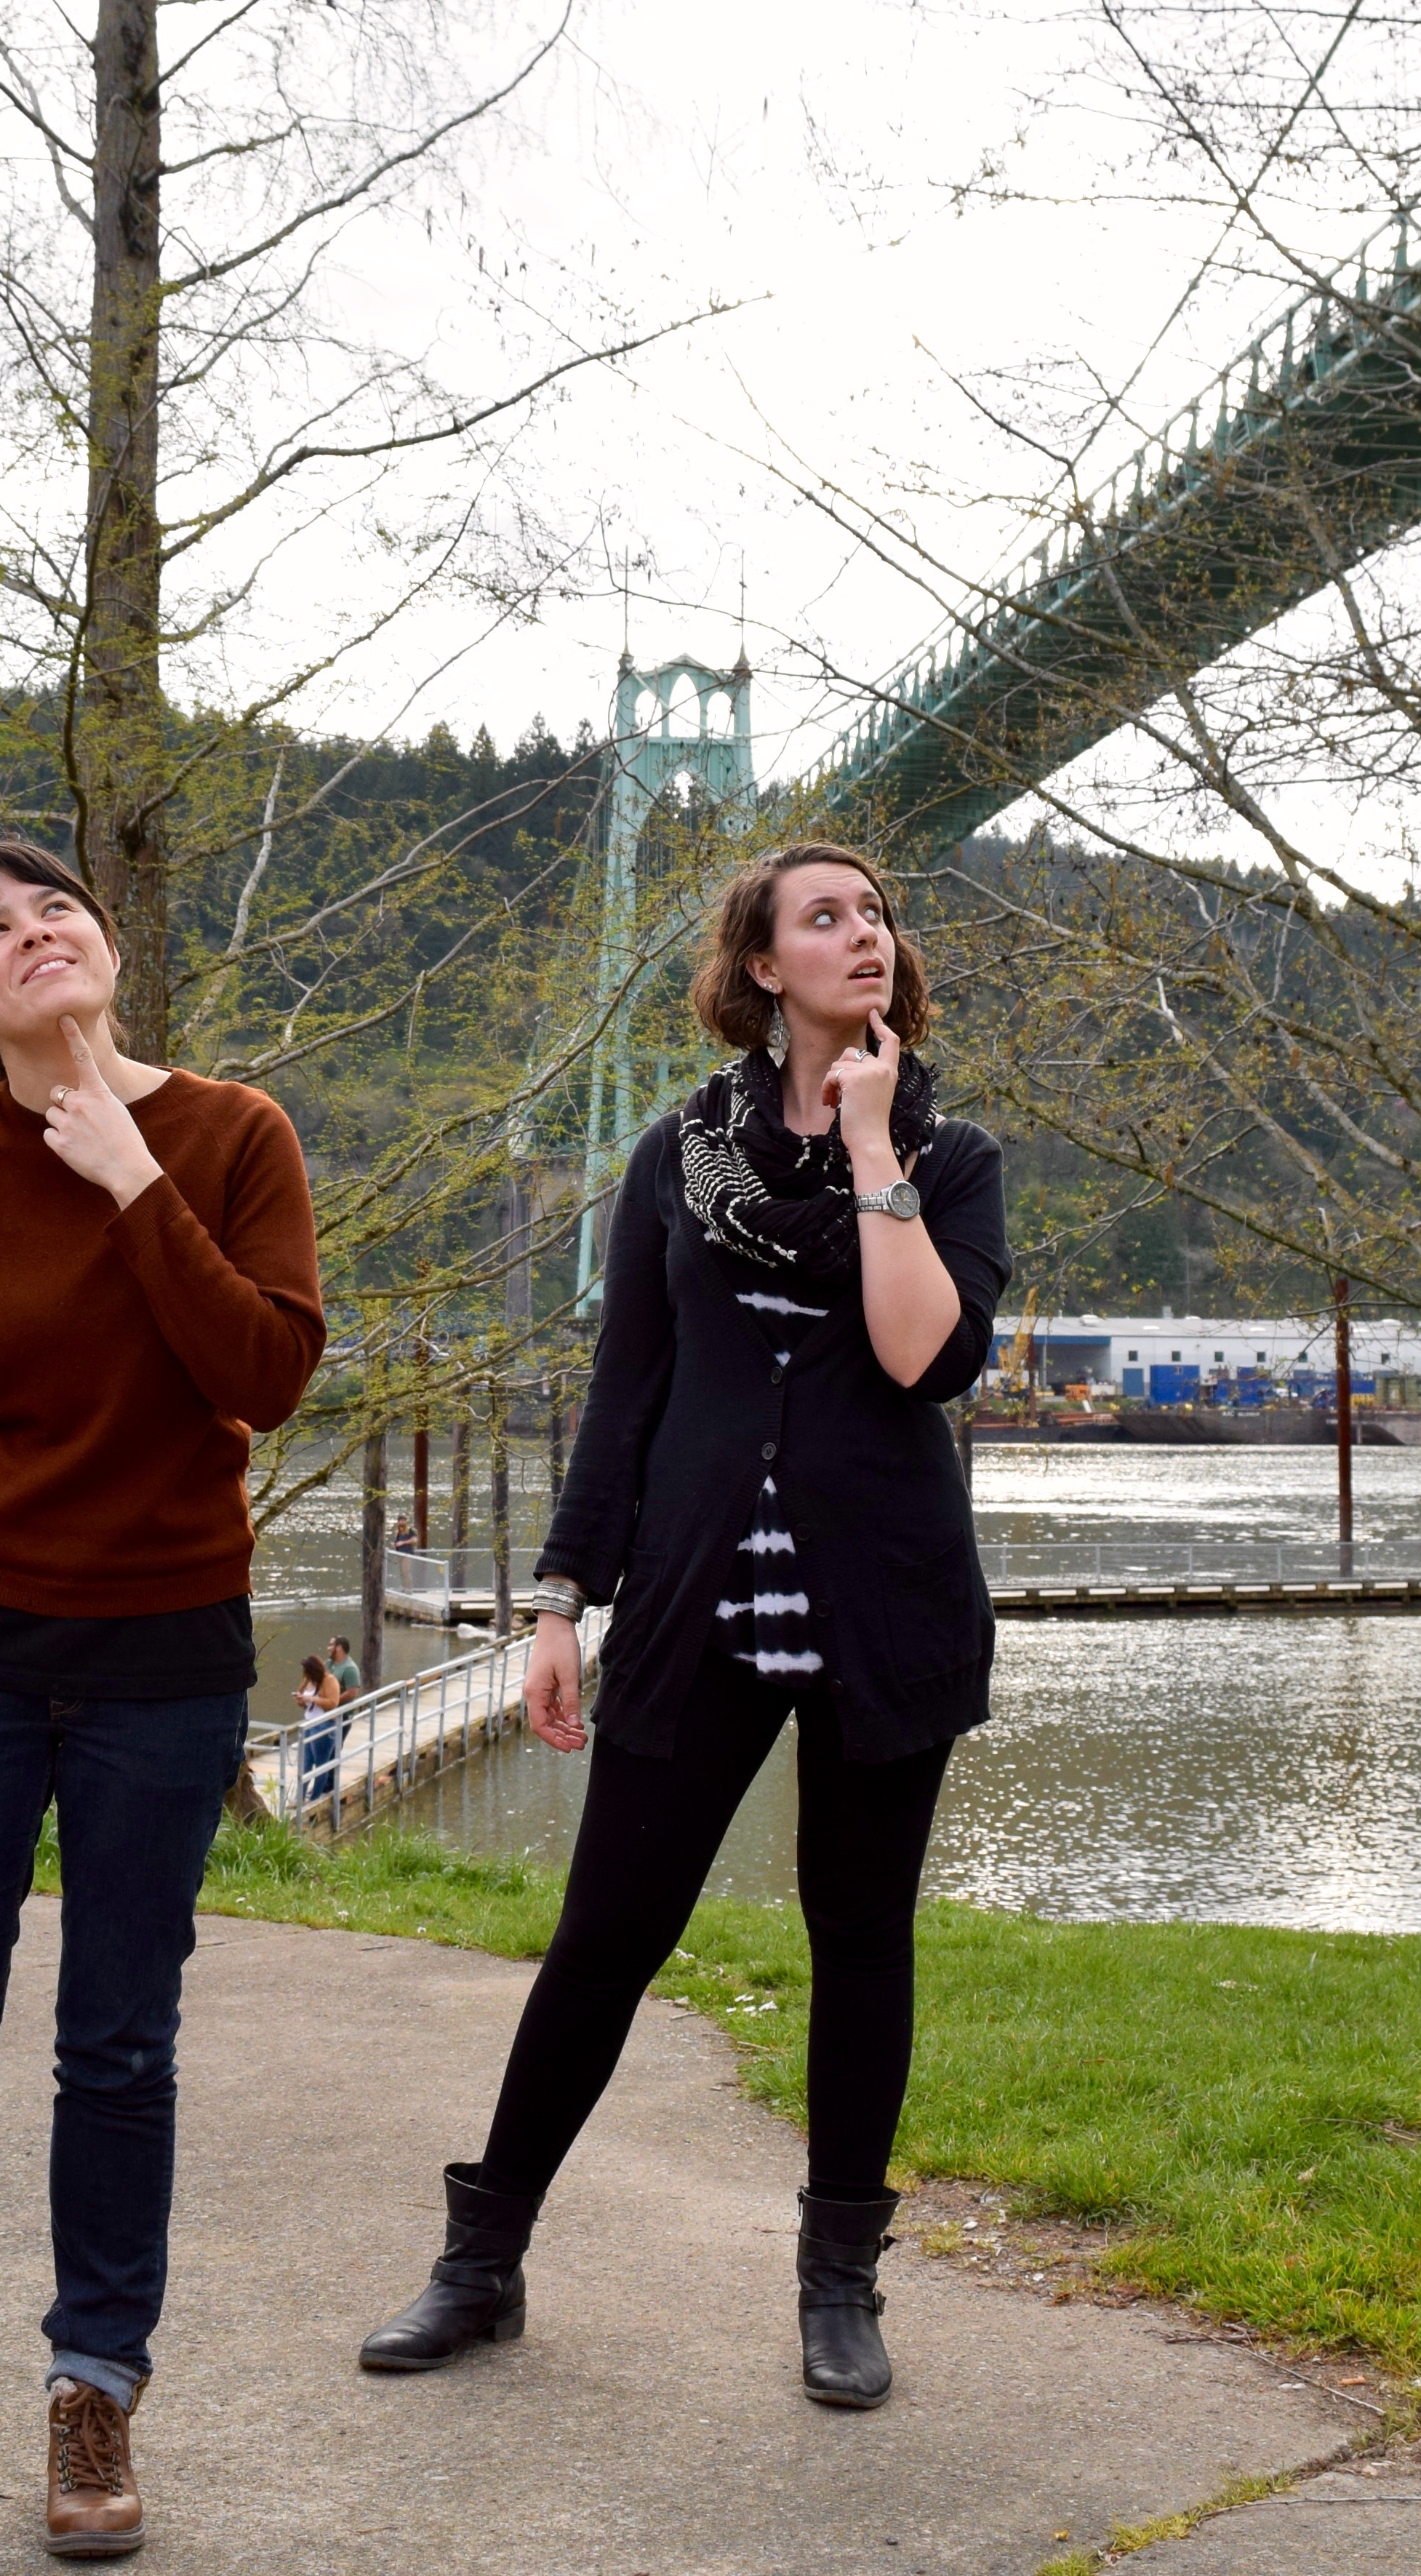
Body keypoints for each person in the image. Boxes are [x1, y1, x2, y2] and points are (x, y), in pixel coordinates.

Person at [356, 841, 1005, 2412]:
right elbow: (628, 1391)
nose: (865, 933)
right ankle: (482, 2258)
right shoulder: (674, 1154)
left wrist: (872, 1152)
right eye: (826, 916)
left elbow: (932, 1360)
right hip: (694, 1597)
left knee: (861, 1940)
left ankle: (837, 2282)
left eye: (878, 914)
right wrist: (563, 1601)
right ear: (764, 967)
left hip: (886, 1603)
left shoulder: (951, 1152)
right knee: (605, 1936)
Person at [0, 838, 325, 2567]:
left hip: (163, 1657)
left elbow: (262, 1368)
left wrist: (129, 1174)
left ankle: (93, 2391)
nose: (36, 932)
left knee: (118, 2044)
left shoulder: (236, 1133)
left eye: (56, 909)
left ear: (101, 946)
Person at [294, 1652, 345, 1808]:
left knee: (320, 1764)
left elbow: (333, 1703)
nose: (306, 1675)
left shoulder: (329, 1681)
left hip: (324, 1725)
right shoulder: (308, 1681)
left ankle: (314, 1798)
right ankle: (299, 1798)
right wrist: (300, 1699)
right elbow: (302, 1698)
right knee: (306, 1763)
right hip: (308, 1724)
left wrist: (312, 1699)